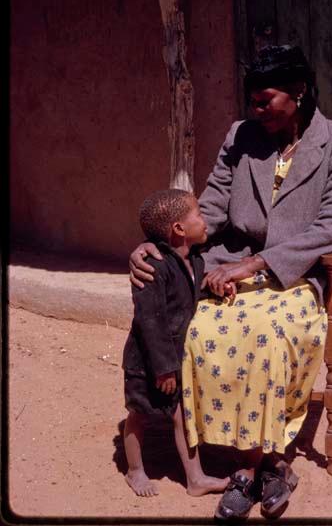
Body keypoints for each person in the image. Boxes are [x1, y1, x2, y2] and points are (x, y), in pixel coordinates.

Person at [129, 45, 332, 520]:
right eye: (252, 100)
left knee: (266, 337)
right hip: (231, 263)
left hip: (300, 273)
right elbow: (209, 210)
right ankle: (266, 465)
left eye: (266, 99)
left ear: (298, 93)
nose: (256, 110)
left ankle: (255, 466)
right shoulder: (241, 136)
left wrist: (258, 263)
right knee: (198, 330)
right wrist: (153, 242)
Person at [122, 188, 230, 498]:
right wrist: (164, 368)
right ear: (179, 229)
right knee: (139, 415)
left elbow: (189, 297)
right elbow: (149, 322)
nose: (204, 218)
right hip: (147, 361)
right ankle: (135, 470)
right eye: (198, 213)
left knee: (182, 416)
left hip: (175, 356)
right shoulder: (153, 267)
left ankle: (195, 479)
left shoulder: (193, 260)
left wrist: (217, 290)